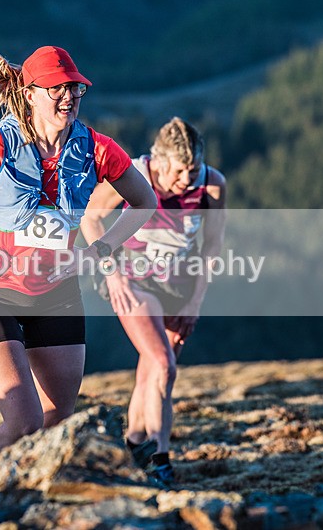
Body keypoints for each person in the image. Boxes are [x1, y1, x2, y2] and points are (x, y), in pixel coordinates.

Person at [0, 43, 156, 459]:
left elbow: (145, 201)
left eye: (75, 89)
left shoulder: (97, 149)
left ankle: (29, 491)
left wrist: (98, 251)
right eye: (56, 89)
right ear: (29, 94)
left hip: (57, 294)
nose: (69, 97)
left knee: (58, 416)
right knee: (23, 421)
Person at [81, 117, 227, 487]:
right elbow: (91, 219)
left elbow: (212, 246)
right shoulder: (135, 174)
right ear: (160, 161)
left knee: (152, 370)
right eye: (180, 171)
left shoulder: (212, 185)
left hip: (180, 286)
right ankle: (160, 461)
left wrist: (195, 302)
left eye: (194, 169)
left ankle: (134, 443)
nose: (187, 179)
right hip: (133, 279)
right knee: (164, 366)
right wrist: (111, 273)